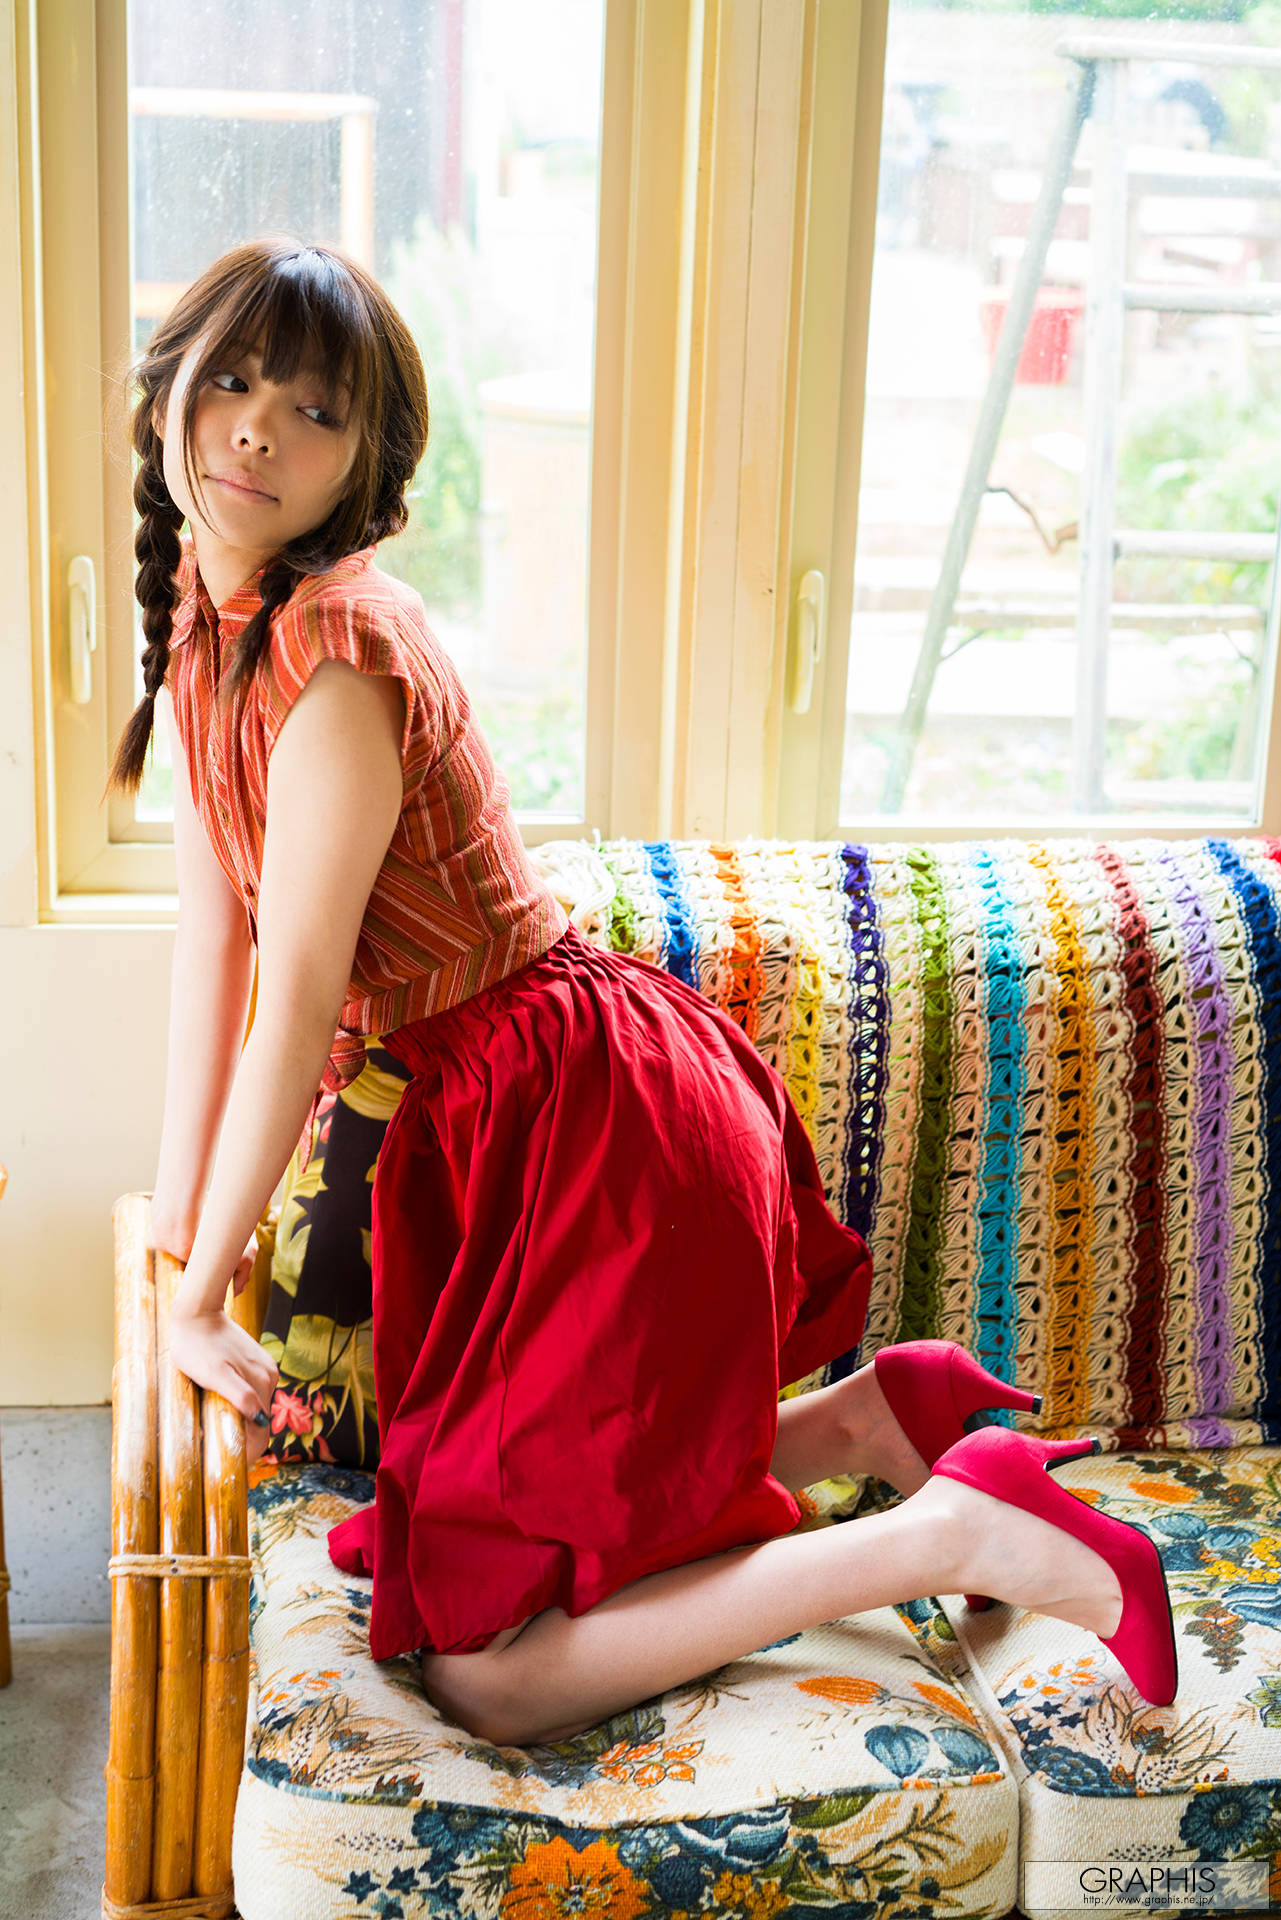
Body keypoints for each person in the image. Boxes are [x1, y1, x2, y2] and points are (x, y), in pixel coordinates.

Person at [109, 237, 1177, 1750]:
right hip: (510, 1111)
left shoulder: (337, 659)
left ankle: (950, 1531)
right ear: (168, 387)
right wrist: (180, 1245)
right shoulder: (208, 619)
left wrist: (204, 1289)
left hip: (581, 1132)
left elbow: (290, 1002)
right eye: (229, 382)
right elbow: (211, 939)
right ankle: (874, 1421)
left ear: (365, 465)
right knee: (475, 1536)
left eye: (313, 410)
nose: (255, 432)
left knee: (487, 1669)